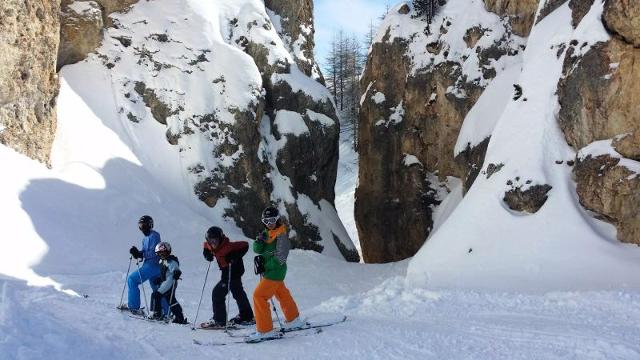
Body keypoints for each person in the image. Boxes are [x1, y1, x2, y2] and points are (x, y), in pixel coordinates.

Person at [247, 206, 305, 342]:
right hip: (272, 272)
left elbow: (281, 257)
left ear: (277, 219)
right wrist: (259, 241)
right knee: (282, 293)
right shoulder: (266, 233)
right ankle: (293, 319)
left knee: (259, 296)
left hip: (275, 272)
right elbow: (257, 249)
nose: (269, 223)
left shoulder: (281, 235)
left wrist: (264, 265)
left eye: (272, 220)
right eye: (266, 221)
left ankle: (265, 330)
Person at [200, 226, 255, 329]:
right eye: (210, 240)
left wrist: (234, 256)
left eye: (215, 240)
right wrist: (207, 254)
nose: (213, 243)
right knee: (237, 292)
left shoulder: (228, 246)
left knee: (217, 293)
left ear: (220, 238)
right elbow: (206, 247)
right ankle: (246, 316)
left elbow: (245, 245)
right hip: (226, 272)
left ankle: (220, 320)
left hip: (233, 271)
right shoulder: (210, 245)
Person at [121, 215, 162, 315]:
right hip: (151, 266)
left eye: (144, 225)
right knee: (158, 289)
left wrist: (140, 254)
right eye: (140, 226)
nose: (142, 228)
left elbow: (154, 252)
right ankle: (164, 312)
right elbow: (144, 253)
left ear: (150, 225)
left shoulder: (155, 235)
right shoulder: (145, 239)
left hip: (152, 265)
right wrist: (137, 253)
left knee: (132, 280)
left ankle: (134, 307)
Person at [149, 242, 187, 324]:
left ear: (168, 251)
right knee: (171, 300)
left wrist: (177, 273)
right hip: (166, 282)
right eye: (160, 253)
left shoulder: (170, 261)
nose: (162, 255)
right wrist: (159, 279)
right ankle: (179, 317)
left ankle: (157, 314)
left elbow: (175, 269)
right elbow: (166, 273)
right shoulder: (162, 261)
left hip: (169, 283)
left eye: (164, 252)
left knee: (156, 295)